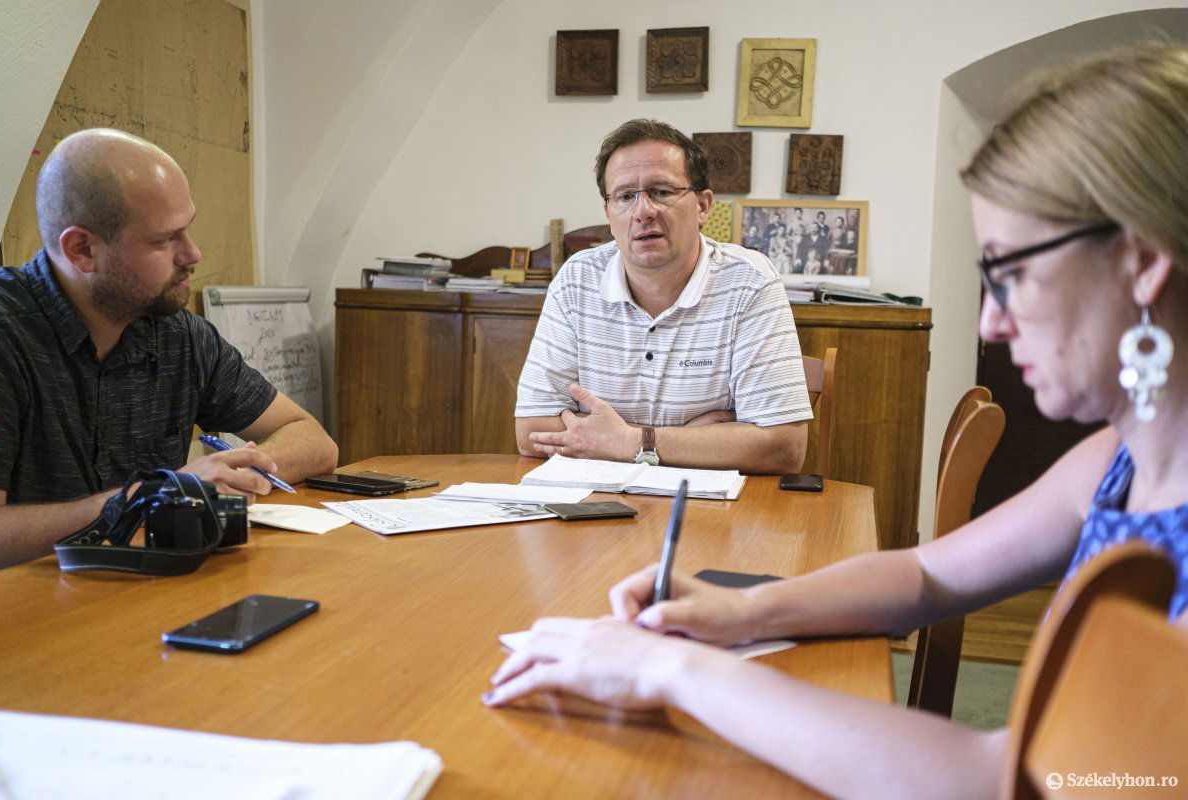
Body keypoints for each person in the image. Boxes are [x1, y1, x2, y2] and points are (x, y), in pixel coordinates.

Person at [486, 44, 1188, 797]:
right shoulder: (1115, 458)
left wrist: (673, 668)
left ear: (1141, 261)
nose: (991, 321)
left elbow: (1011, 781)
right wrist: (741, 608)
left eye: (1011, 272)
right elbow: (925, 575)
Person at [0, 129, 339, 569]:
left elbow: (315, 442)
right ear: (82, 249)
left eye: (187, 228)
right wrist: (150, 496)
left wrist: (234, 473)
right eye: (163, 240)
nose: (193, 253)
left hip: (152, 592)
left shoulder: (181, 335)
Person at [514, 119, 811, 473]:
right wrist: (693, 440)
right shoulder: (576, 280)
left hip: (710, 505)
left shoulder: (750, 282)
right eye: (625, 196)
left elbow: (785, 447)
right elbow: (532, 431)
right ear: (608, 213)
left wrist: (628, 440)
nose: (643, 211)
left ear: (702, 206)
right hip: (598, 501)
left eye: (662, 192)